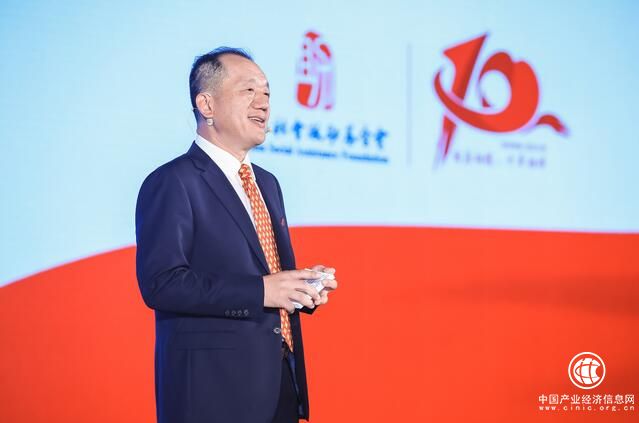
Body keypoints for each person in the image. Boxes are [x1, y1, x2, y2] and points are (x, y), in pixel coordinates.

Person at [135, 47, 338, 423]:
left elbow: (265, 276)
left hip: (278, 383)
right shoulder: (173, 181)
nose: (263, 103)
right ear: (206, 105)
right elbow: (162, 284)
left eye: (267, 93)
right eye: (248, 91)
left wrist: (299, 288)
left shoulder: (267, 183)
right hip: (212, 394)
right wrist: (262, 291)